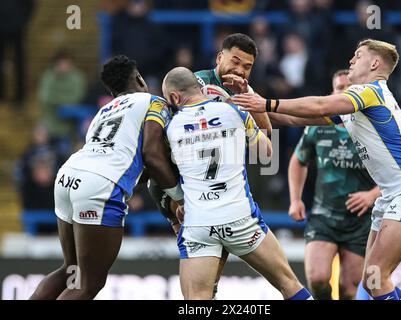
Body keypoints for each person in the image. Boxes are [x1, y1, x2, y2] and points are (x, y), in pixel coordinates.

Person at [232, 39, 401, 300]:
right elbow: (293, 118)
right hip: (391, 196)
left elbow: (319, 106)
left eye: (358, 55)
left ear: (374, 63)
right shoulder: (361, 101)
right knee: (372, 280)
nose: (351, 60)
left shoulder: (371, 91)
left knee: (376, 276)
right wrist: (241, 101)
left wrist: (266, 103)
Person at [29, 55, 179, 300]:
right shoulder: (154, 102)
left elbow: (125, 160)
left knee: (71, 270)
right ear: (140, 79)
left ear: (111, 91)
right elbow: (151, 154)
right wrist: (178, 196)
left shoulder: (102, 112)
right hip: (99, 185)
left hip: (68, 174)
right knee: (89, 283)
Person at [159, 66, 313, 300]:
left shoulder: (170, 128)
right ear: (201, 88)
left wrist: (178, 202)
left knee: (198, 300)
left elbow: (160, 171)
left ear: (174, 97)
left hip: (199, 223)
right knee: (288, 283)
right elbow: (266, 152)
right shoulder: (233, 111)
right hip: (240, 218)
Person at [147, 33, 272, 298]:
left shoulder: (243, 90)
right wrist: (176, 197)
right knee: (198, 249)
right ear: (219, 57)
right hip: (179, 181)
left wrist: (247, 93)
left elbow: (266, 132)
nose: (239, 70)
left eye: (247, 67)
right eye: (235, 61)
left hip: (216, 186)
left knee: (212, 263)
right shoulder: (195, 83)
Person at [286, 69, 380, 300]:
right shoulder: (318, 127)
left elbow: (397, 175)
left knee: (349, 289)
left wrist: (371, 195)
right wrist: (295, 199)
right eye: (339, 88)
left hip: (360, 221)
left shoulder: (375, 128)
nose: (344, 92)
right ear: (332, 92)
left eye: (350, 88)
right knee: (317, 280)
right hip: (324, 215)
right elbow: (298, 161)